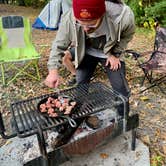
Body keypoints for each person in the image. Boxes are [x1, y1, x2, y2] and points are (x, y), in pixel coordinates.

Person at [45, 0, 135, 117]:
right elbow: (58, 45)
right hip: (86, 51)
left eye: (91, 24)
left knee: (120, 87)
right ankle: (77, 113)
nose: (86, 29)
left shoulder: (123, 17)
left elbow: (127, 35)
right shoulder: (70, 17)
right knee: (81, 83)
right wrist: (53, 71)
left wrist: (116, 54)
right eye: (80, 23)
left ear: (102, 15)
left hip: (109, 53)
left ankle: (123, 117)